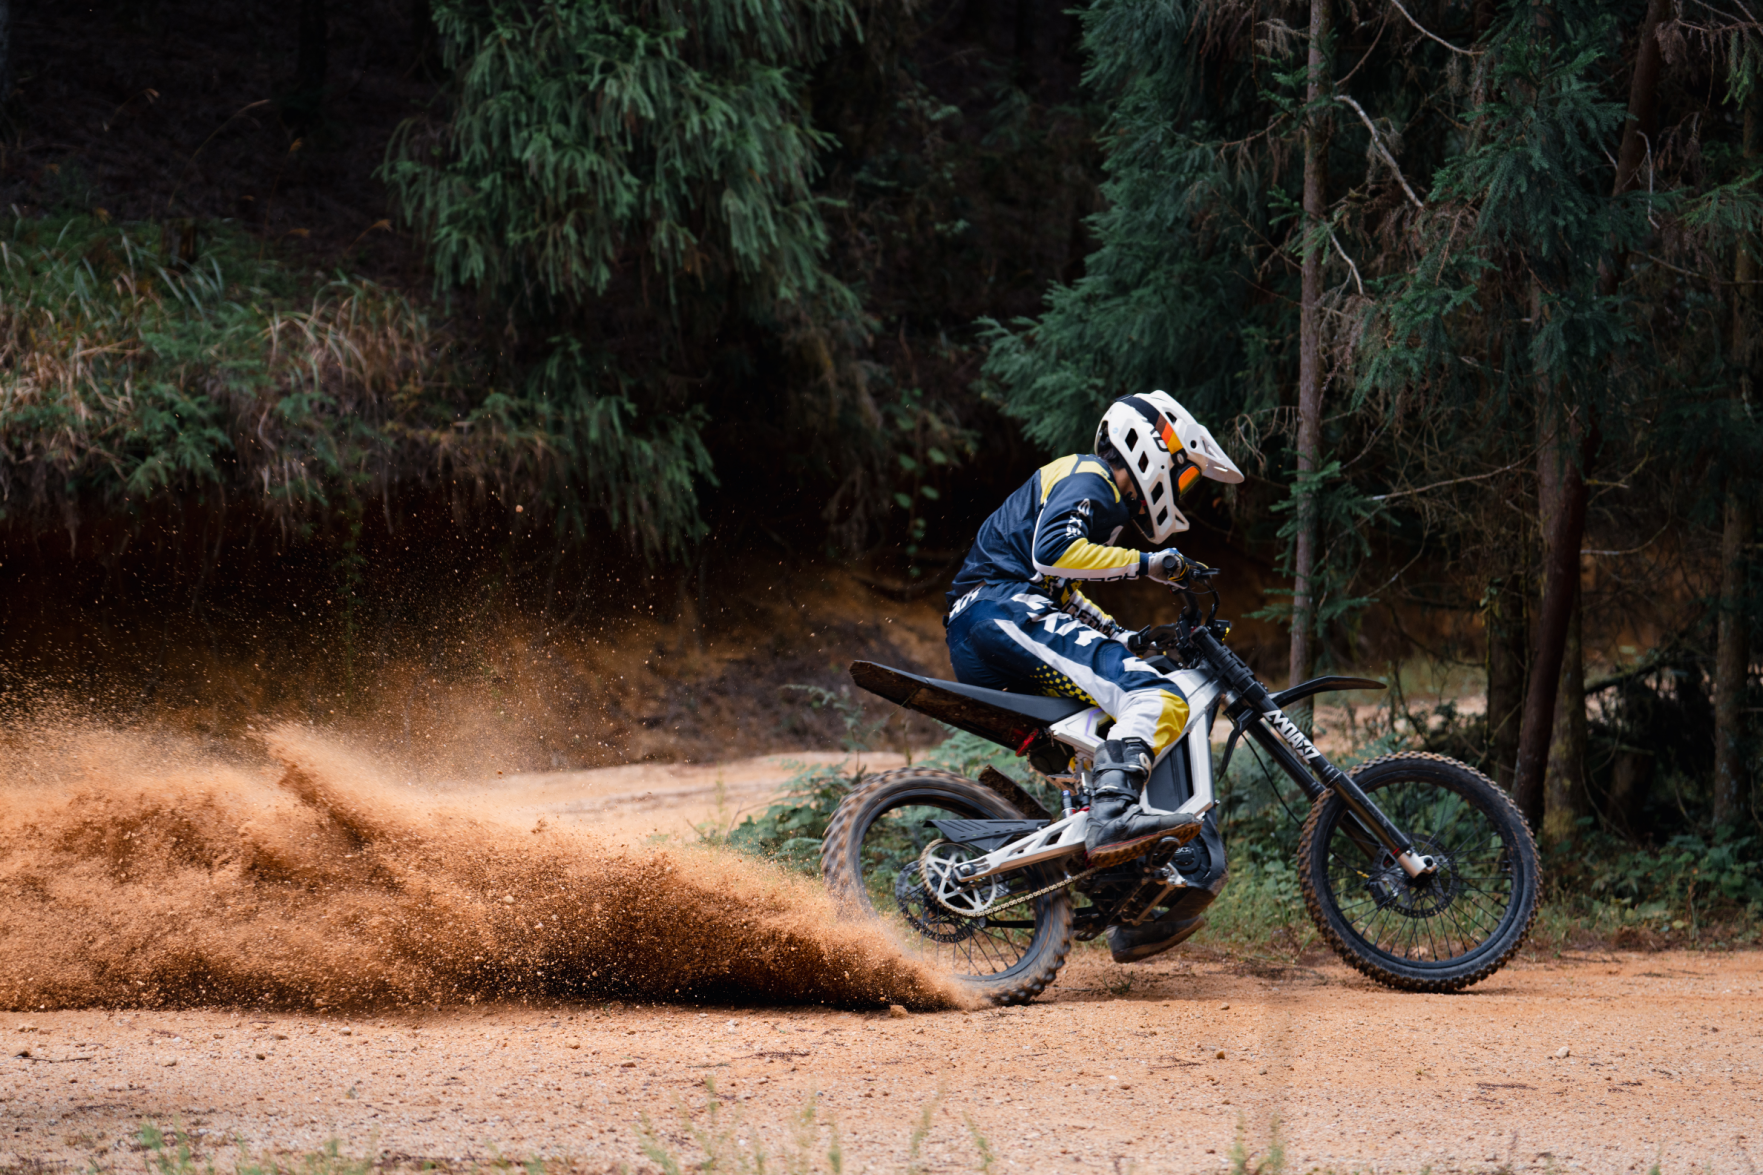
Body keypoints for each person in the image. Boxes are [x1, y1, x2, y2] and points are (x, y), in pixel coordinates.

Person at [943, 390, 1245, 875]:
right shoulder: (1091, 477)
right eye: (1184, 474)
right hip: (1001, 610)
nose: (1181, 488)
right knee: (1156, 698)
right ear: (1151, 451)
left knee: (1105, 724)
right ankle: (1113, 820)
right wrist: (1149, 564)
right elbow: (1052, 553)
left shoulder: (1096, 498)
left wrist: (1127, 638)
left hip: (988, 623)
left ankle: (1102, 864)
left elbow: (1060, 593)